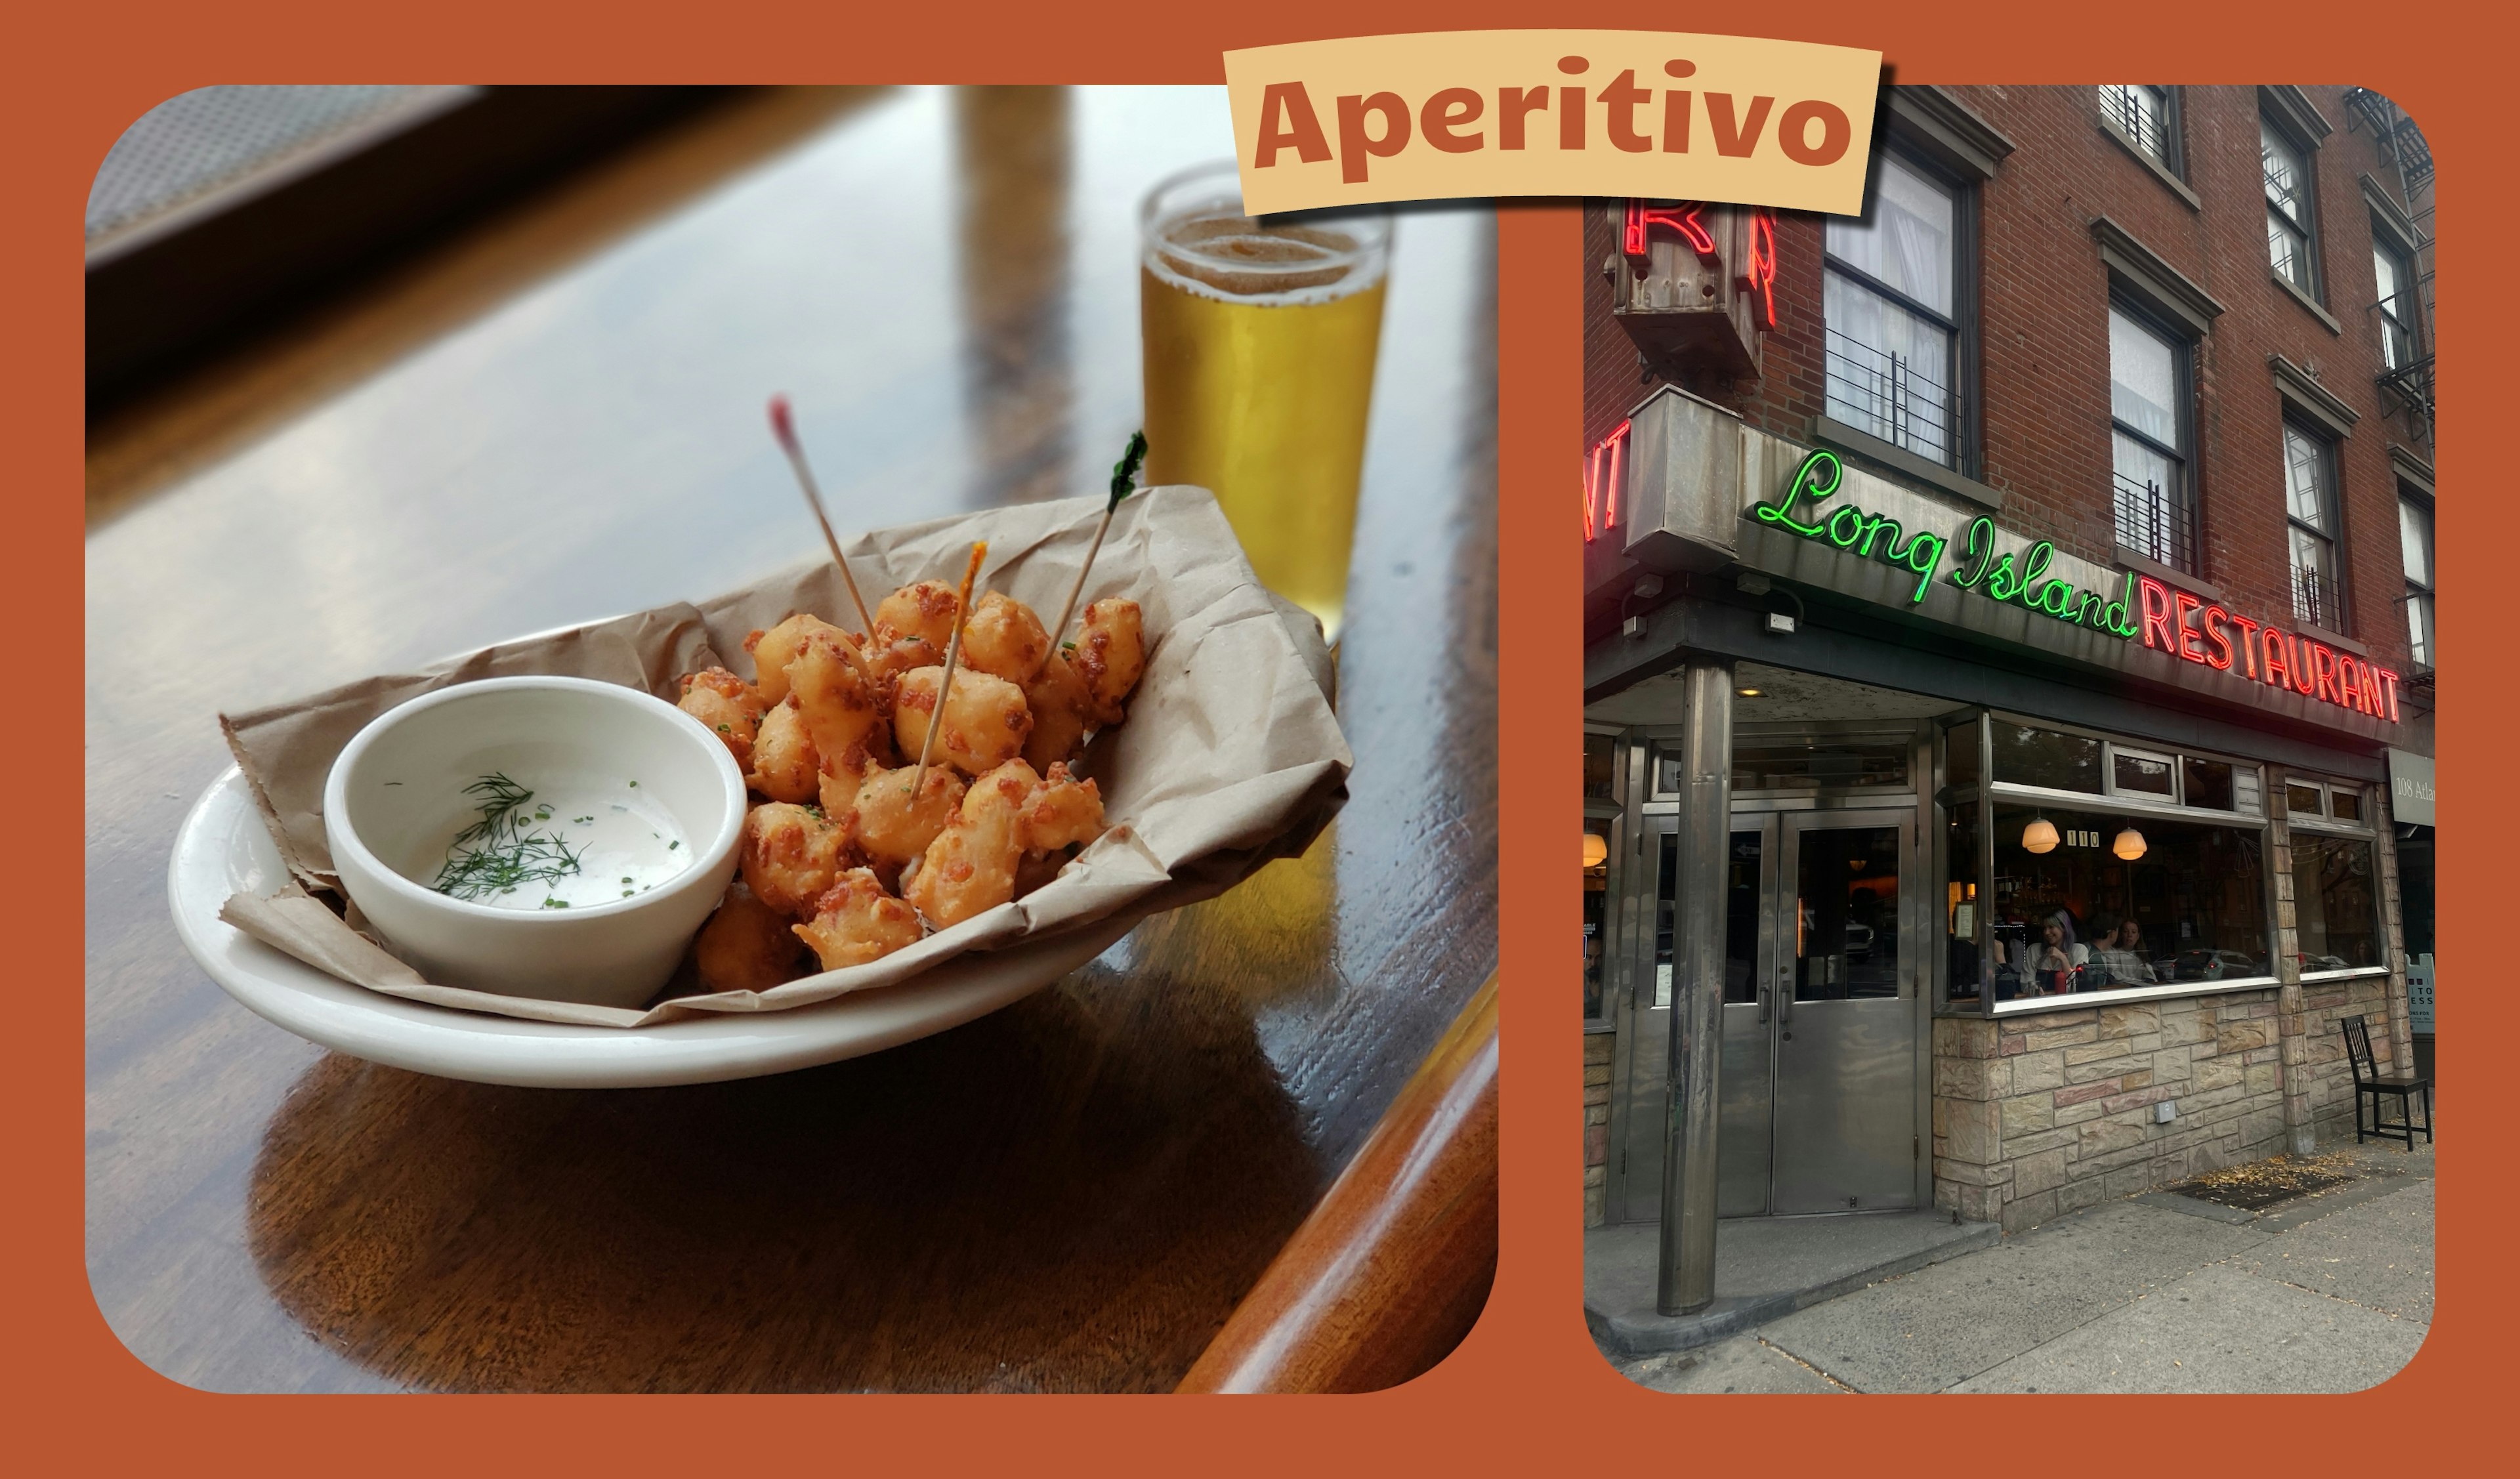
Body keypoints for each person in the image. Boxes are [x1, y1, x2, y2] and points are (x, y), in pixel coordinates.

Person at [2096, 917, 2158, 985]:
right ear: (2121, 934)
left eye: (2133, 932)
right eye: (2126, 932)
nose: (2130, 935)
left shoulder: (2141, 953)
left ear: (2138, 936)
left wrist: (2149, 980)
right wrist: (2138, 982)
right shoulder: (2111, 952)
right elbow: (2114, 974)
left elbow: (2151, 976)